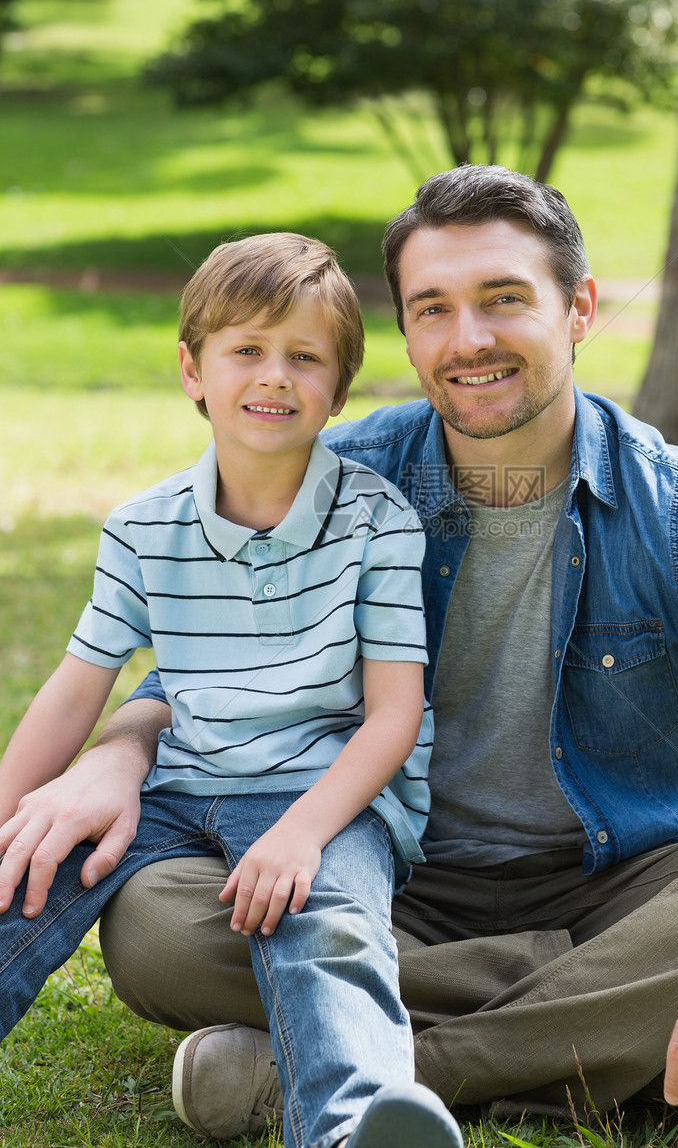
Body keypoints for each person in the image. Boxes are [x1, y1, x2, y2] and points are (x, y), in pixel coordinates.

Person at [2, 168, 678, 1140]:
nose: (468, 340)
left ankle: (345, 1074)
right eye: (432, 310)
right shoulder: (338, 483)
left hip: (615, 889)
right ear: (404, 334)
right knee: (155, 924)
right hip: (382, 886)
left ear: (576, 309)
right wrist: (118, 753)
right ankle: (617, 1035)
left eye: (503, 300)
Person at [0, 232, 464, 1148]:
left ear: (337, 389)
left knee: (324, 925)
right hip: (180, 786)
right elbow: (75, 688)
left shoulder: (377, 521)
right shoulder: (143, 527)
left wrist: (301, 833)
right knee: (22, 871)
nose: (274, 376)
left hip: (324, 794)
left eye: (304, 357)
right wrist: (11, 812)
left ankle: (352, 1129)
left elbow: (395, 715)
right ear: (192, 370)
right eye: (246, 350)